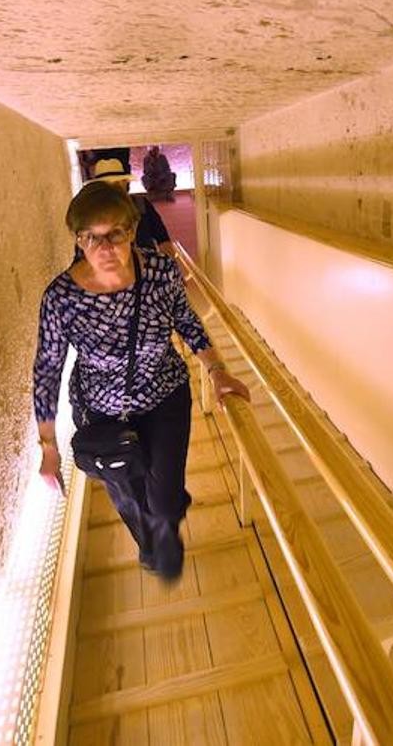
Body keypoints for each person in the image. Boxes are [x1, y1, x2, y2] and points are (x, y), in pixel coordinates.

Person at [33, 183, 249, 581]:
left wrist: (217, 371)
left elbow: (186, 322)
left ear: (132, 230)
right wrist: (48, 447)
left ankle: (165, 516)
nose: (104, 247)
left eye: (114, 233)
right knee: (128, 495)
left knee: (163, 503)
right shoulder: (61, 298)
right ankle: (151, 543)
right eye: (91, 237)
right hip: (103, 414)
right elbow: (47, 369)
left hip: (164, 396)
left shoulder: (161, 272)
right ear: (79, 240)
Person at [72, 157, 177, 259]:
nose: (113, 190)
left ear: (125, 183)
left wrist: (170, 267)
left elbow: (163, 238)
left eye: (117, 183)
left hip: (145, 268)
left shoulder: (141, 204)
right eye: (107, 185)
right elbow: (81, 253)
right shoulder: (90, 213)